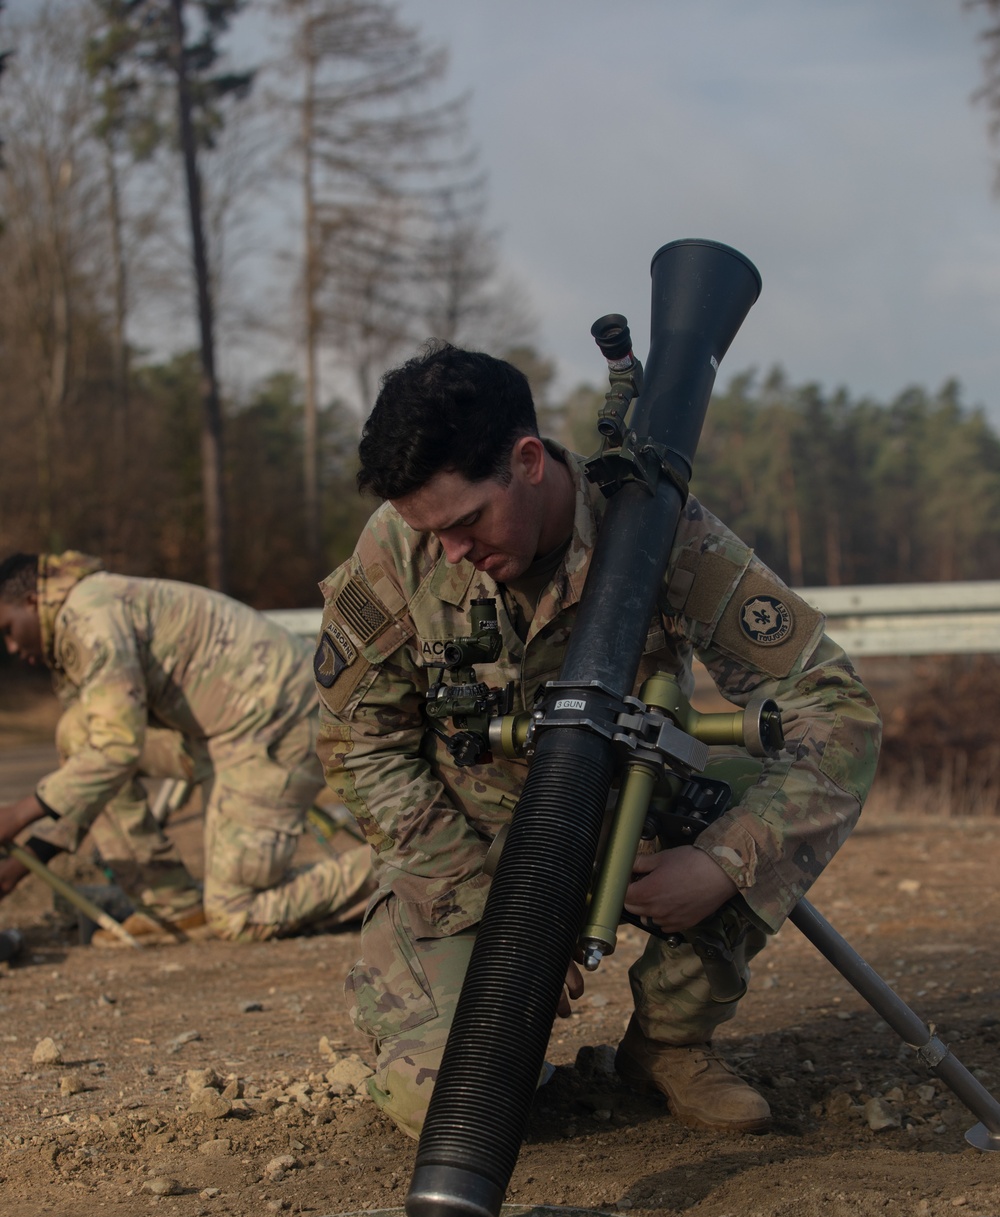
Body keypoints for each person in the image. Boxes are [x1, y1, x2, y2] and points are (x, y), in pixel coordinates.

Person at [315, 345, 881, 1139]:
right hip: (469, 851)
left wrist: (723, 862)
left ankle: (670, 1044)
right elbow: (356, 739)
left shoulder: (657, 529)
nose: (452, 554)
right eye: (430, 532)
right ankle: (510, 1054)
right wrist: (506, 924)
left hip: (630, 824)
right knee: (448, 1103)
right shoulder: (397, 549)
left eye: (468, 521)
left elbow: (836, 710)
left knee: (762, 796)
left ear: (528, 460)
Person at [0, 552, 372, 942]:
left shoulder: (90, 615)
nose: (10, 646)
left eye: (7, 629)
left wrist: (17, 814)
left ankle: (414, 860)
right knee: (78, 735)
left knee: (235, 916)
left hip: (276, 723)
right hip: (218, 732)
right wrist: (22, 864)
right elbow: (95, 763)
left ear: (32, 602)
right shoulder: (83, 615)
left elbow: (115, 751)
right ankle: (172, 904)